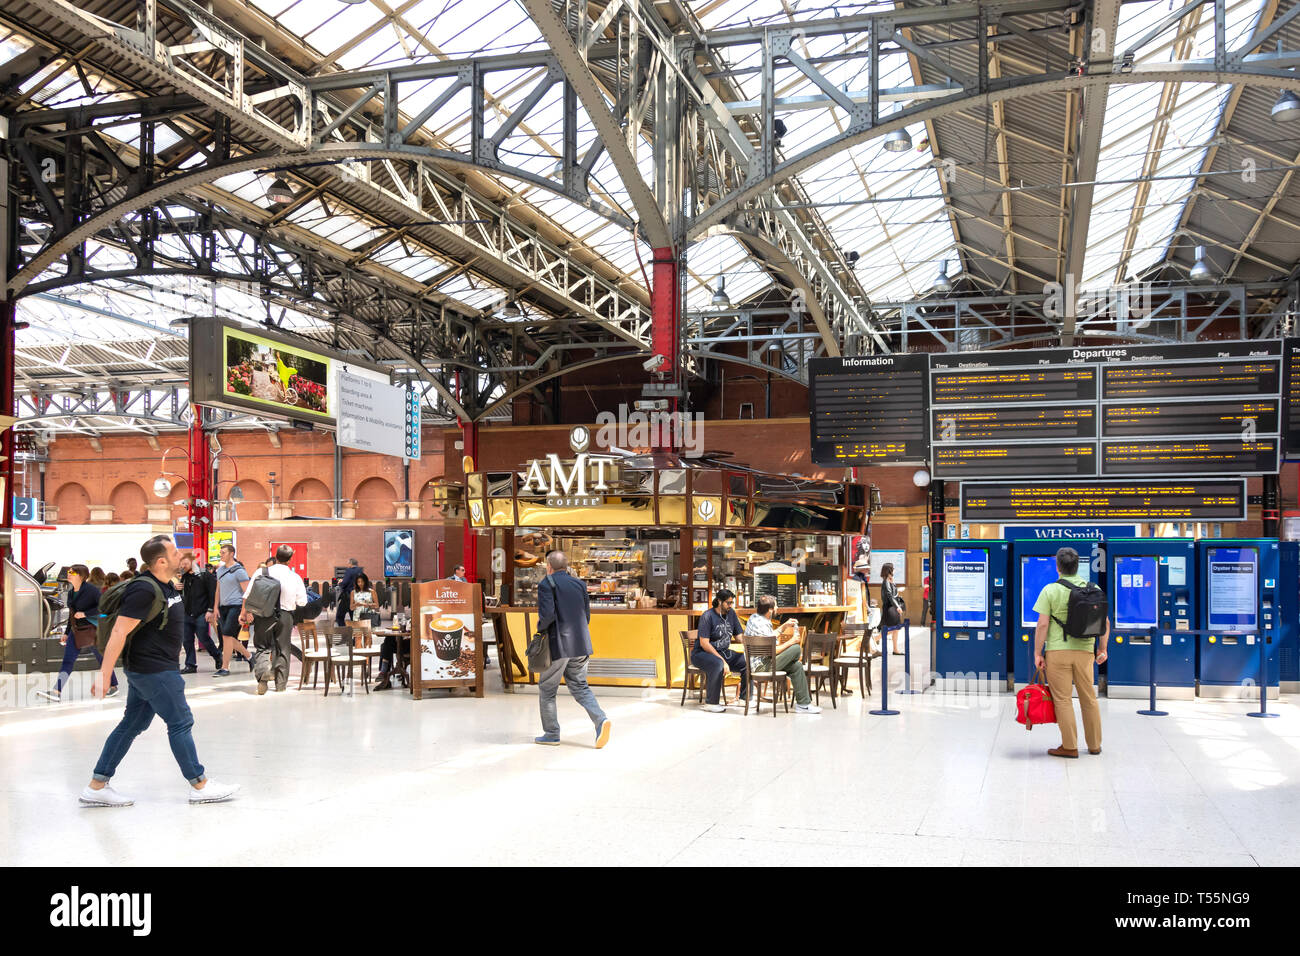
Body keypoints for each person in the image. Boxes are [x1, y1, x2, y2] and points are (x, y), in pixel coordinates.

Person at [79, 534, 240, 807]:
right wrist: (105, 674)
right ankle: (199, 784)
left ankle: (97, 785)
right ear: (162, 561)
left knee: (132, 724)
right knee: (180, 722)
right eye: (176, 553)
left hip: (153, 668)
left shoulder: (166, 585)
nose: (182, 556)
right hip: (153, 670)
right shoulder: (144, 590)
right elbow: (119, 631)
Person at [1033, 546, 1109, 759]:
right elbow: (1105, 622)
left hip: (1057, 652)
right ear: (1077, 567)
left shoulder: (1050, 590)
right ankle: (1094, 745)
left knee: (1063, 700)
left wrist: (1038, 653)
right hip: (1086, 652)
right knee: (1089, 699)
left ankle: (1070, 746)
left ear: (1058, 567)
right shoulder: (1092, 588)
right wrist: (1102, 649)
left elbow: (1042, 625)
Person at [534, 550, 610, 748]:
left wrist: (540, 630)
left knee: (547, 689)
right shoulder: (579, 584)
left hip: (559, 644)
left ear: (549, 566)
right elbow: (586, 616)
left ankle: (551, 733)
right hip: (581, 644)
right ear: (566, 567)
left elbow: (548, 616)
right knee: (579, 686)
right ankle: (600, 720)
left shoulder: (546, 584)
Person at [37, 564, 119, 703]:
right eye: (69, 572)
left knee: (102, 659)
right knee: (68, 660)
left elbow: (103, 609)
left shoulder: (92, 591)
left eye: (72, 573)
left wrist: (85, 614)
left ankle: (113, 685)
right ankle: (57, 691)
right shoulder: (71, 592)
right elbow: (72, 614)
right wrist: (67, 632)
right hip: (77, 631)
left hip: (93, 630)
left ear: (82, 576)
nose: (69, 574)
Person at [240, 544, 308, 694]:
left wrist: (244, 613)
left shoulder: (262, 572)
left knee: (262, 646)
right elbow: (302, 602)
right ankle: (281, 685)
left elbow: (248, 594)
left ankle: (263, 676)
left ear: (275, 556)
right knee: (283, 649)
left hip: (264, 614)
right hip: (285, 616)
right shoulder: (295, 577)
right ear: (290, 559)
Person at [744, 595, 820, 714]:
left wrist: (783, 627)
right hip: (762, 667)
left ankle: (803, 705)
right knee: (795, 649)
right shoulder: (764, 624)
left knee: (796, 667)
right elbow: (773, 651)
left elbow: (768, 638)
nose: (777, 608)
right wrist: (792, 641)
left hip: (760, 663)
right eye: (776, 606)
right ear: (770, 610)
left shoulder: (754, 618)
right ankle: (803, 704)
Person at [693, 588, 748, 713]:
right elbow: (704, 643)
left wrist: (753, 643)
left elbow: (739, 637)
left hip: (722, 652)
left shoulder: (731, 614)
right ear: (719, 601)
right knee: (718, 664)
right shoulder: (707, 616)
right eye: (728, 603)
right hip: (702, 653)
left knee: (747, 661)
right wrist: (722, 660)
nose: (730, 605)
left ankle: (744, 699)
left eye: (731, 603)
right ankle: (711, 703)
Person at [210, 543, 252, 677]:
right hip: (223, 607)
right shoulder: (220, 570)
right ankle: (250, 657)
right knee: (227, 637)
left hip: (236, 606)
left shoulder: (239, 570)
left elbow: (247, 592)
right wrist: (215, 607)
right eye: (220, 552)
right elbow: (218, 589)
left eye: (223, 552)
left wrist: (244, 611)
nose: (220, 554)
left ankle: (225, 667)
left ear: (231, 554)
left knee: (227, 635)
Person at [178, 552, 221, 673]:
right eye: (182, 564)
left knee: (203, 637)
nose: (183, 566)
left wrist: (210, 610)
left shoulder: (204, 575)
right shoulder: (184, 576)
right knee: (187, 639)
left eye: (185, 563)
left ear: (192, 561)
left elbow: (213, 593)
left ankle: (217, 656)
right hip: (187, 612)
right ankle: (190, 664)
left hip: (202, 612)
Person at [879, 562, 905, 655]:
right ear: (889, 570)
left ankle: (895, 649)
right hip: (890, 608)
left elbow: (892, 594)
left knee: (896, 629)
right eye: (893, 568)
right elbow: (890, 596)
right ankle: (874, 639)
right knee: (891, 629)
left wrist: (898, 590)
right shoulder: (886, 581)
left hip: (892, 607)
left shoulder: (890, 580)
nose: (894, 569)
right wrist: (897, 607)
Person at [335, 558, 362, 627]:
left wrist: (340, 582)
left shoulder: (349, 571)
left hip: (347, 597)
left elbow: (345, 582)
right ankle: (355, 635)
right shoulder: (360, 571)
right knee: (353, 617)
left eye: (348, 563)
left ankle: (344, 633)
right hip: (357, 596)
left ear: (350, 563)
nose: (347, 565)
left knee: (339, 616)